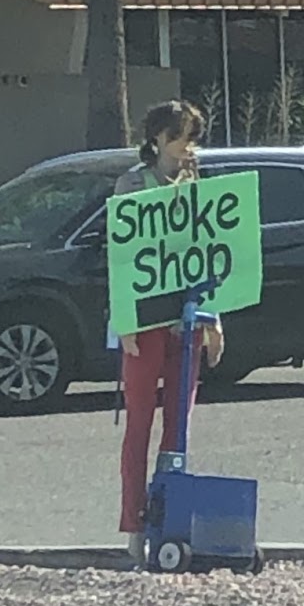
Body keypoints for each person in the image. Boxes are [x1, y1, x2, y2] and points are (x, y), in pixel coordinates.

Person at [114, 100, 225, 564]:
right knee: (139, 422)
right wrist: (123, 321)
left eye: (192, 139)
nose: (187, 148)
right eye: (181, 137)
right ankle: (133, 524)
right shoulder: (131, 185)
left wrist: (214, 320)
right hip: (144, 320)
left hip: (188, 318)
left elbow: (210, 252)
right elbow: (119, 259)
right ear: (159, 138)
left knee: (177, 425)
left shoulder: (197, 184)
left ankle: (170, 515)